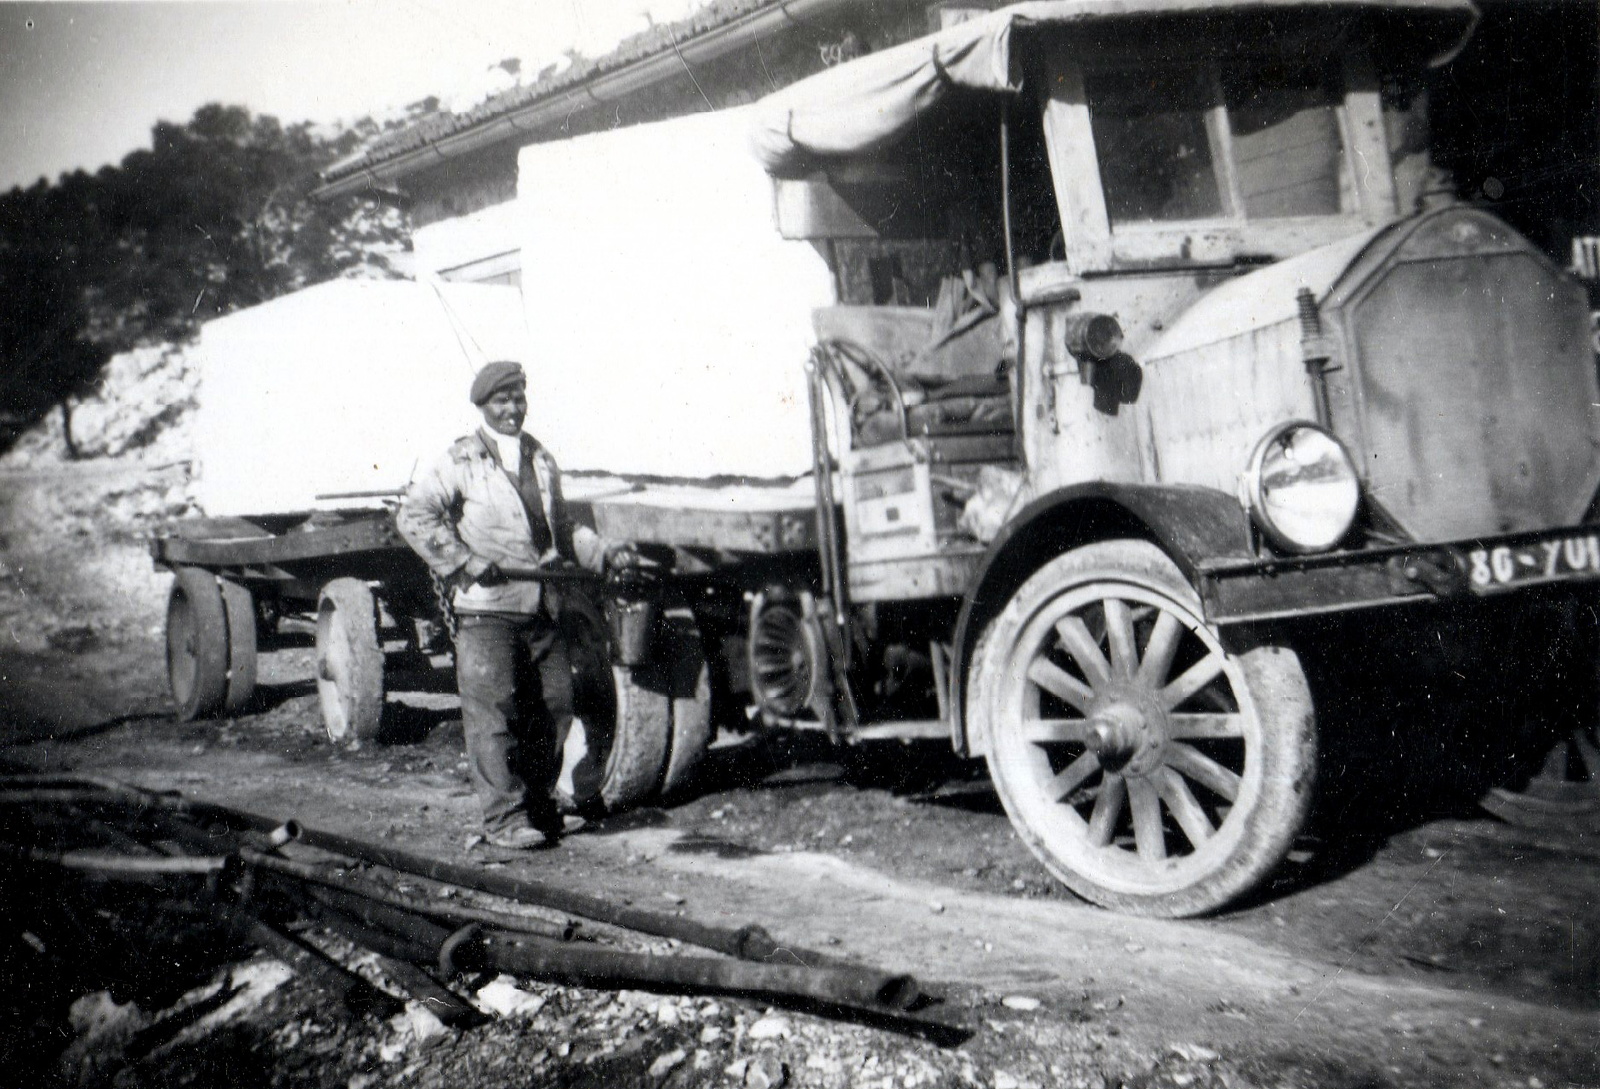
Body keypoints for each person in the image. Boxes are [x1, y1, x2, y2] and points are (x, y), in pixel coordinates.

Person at [397, 360, 636, 850]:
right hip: (487, 610)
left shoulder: (541, 458)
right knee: (494, 715)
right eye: (501, 401)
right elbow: (414, 516)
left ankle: (541, 808)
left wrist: (603, 552)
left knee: (554, 706)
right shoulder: (461, 460)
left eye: (518, 399)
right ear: (483, 406)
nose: (512, 409)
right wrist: (465, 560)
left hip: (542, 604)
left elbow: (561, 528)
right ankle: (504, 819)